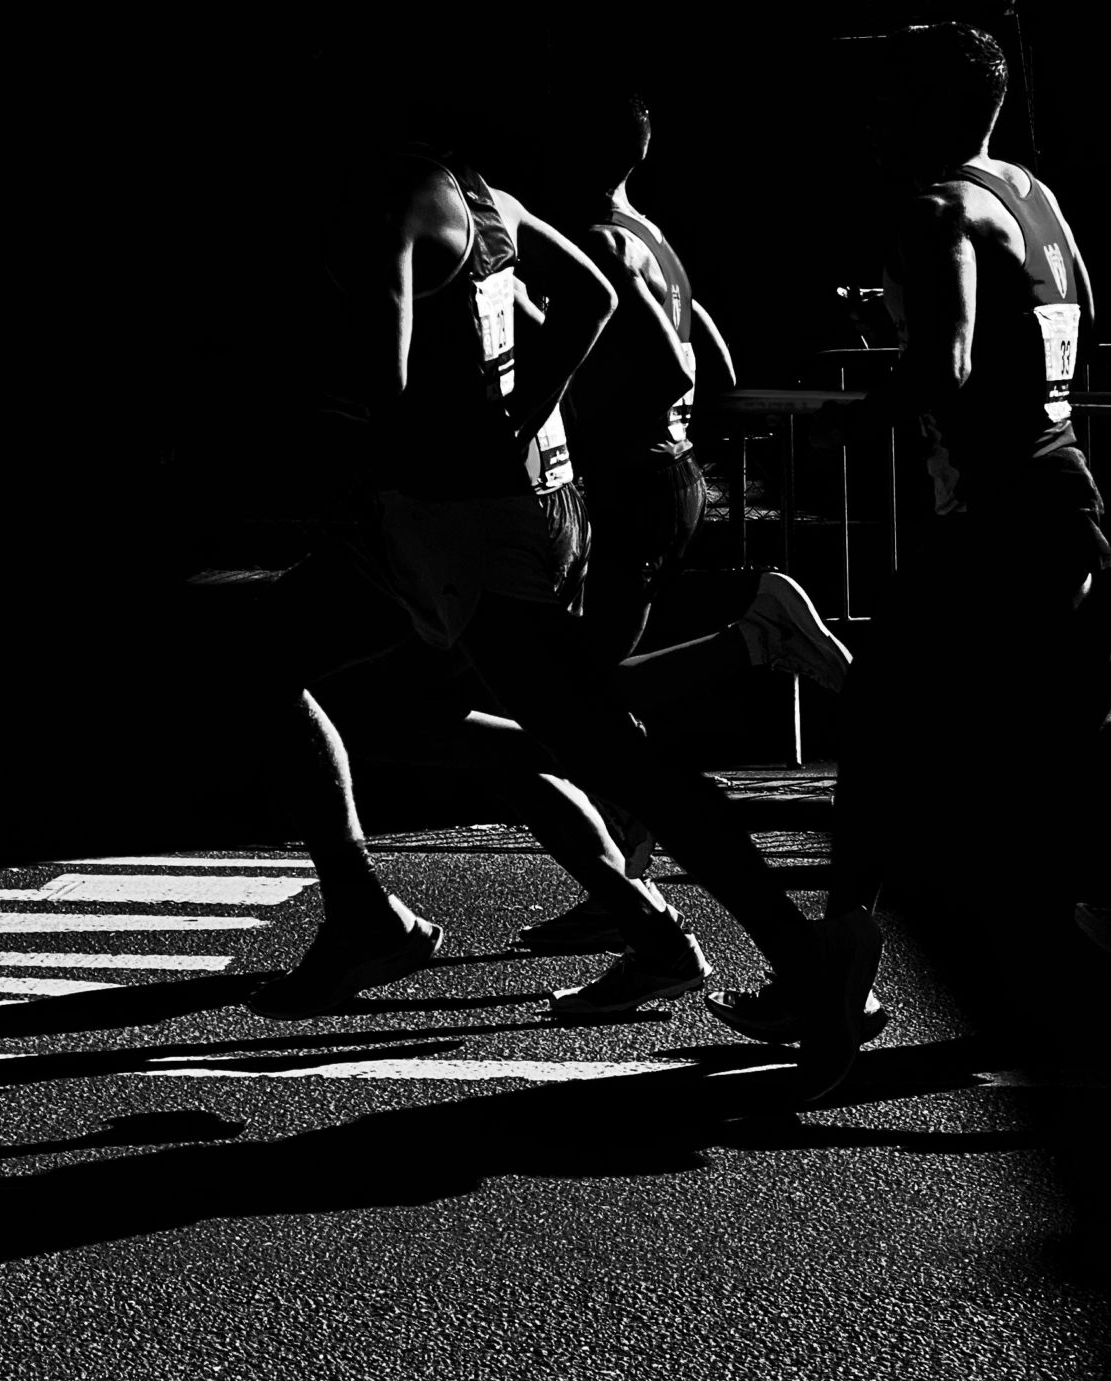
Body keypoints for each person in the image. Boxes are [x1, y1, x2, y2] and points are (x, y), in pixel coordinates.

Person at [245, 138, 880, 1096]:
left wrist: (331, 445)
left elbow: (394, 396)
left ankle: (788, 941)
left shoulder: (389, 217)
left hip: (457, 527)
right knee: (405, 707)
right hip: (523, 504)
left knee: (599, 741)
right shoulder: (481, 195)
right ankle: (382, 911)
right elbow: (584, 298)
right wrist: (525, 415)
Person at [707, 22, 1111, 1047]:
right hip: (1062, 495)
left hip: (997, 516)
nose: (871, 127)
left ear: (927, 110)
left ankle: (839, 972)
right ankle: (1046, 950)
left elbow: (950, 362)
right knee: (1017, 736)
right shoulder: (1031, 192)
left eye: (887, 105)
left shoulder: (934, 209)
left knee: (888, 718)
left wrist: (852, 419)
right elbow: (1083, 322)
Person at [514, 88, 854, 953]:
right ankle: (624, 872)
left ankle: (751, 639)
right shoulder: (652, 237)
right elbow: (710, 351)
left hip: (631, 477)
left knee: (581, 700)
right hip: (668, 472)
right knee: (600, 691)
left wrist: (561, 405)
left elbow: (670, 362)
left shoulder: (595, 243)